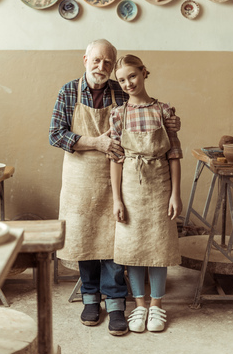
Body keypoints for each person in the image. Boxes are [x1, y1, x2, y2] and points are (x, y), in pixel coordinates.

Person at [49, 40, 181, 336]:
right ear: (85, 59)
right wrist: (95, 142)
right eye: (97, 61)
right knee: (85, 237)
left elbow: (146, 116)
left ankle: (117, 303)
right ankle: (91, 299)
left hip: (118, 177)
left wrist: (171, 122)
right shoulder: (69, 91)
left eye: (108, 63)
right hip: (81, 177)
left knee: (114, 240)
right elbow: (56, 135)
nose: (102, 67)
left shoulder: (120, 91)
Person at [109, 54, 182, 333]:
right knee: (133, 248)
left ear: (144, 72)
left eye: (132, 76)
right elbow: (116, 159)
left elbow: (174, 154)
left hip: (160, 185)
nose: (128, 83)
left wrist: (175, 194)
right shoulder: (118, 114)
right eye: (122, 80)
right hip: (130, 187)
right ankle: (139, 305)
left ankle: (157, 306)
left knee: (158, 246)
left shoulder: (164, 111)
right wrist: (117, 198)